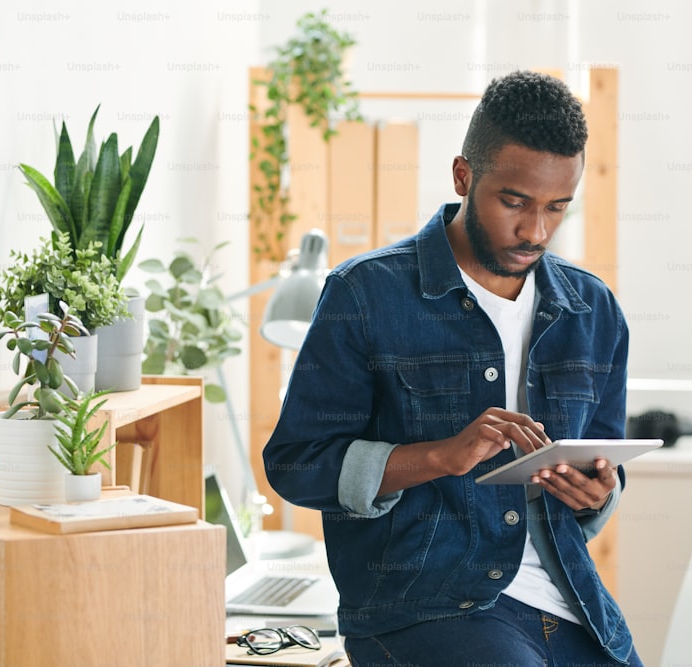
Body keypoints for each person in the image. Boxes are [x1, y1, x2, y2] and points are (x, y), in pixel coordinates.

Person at [263, 70, 642, 666]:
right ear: (464, 175)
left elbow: (604, 470)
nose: (535, 231)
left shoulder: (593, 312)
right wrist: (439, 457)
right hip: (424, 608)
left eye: (556, 208)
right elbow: (295, 464)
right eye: (514, 203)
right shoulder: (366, 295)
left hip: (575, 607)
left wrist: (598, 494)